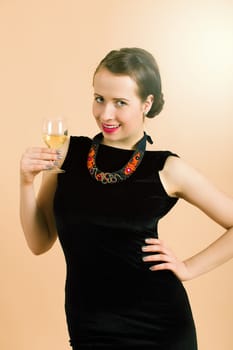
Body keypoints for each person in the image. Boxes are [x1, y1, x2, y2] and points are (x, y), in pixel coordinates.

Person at [20, 47, 233, 350]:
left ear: (146, 103)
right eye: (99, 99)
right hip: (89, 329)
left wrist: (188, 268)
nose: (106, 114)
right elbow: (39, 242)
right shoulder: (66, 152)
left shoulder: (168, 168)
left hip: (159, 329)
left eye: (120, 102)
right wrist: (25, 182)